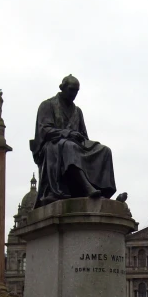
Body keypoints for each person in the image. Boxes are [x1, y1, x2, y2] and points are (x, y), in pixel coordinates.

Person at [30, 75, 116, 207]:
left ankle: (104, 192)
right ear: (62, 88)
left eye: (76, 91)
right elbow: (44, 130)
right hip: (52, 146)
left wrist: (82, 140)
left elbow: (84, 135)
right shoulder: (47, 105)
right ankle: (87, 188)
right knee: (69, 147)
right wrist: (67, 133)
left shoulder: (77, 111)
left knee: (104, 150)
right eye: (71, 90)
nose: (74, 94)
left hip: (75, 145)